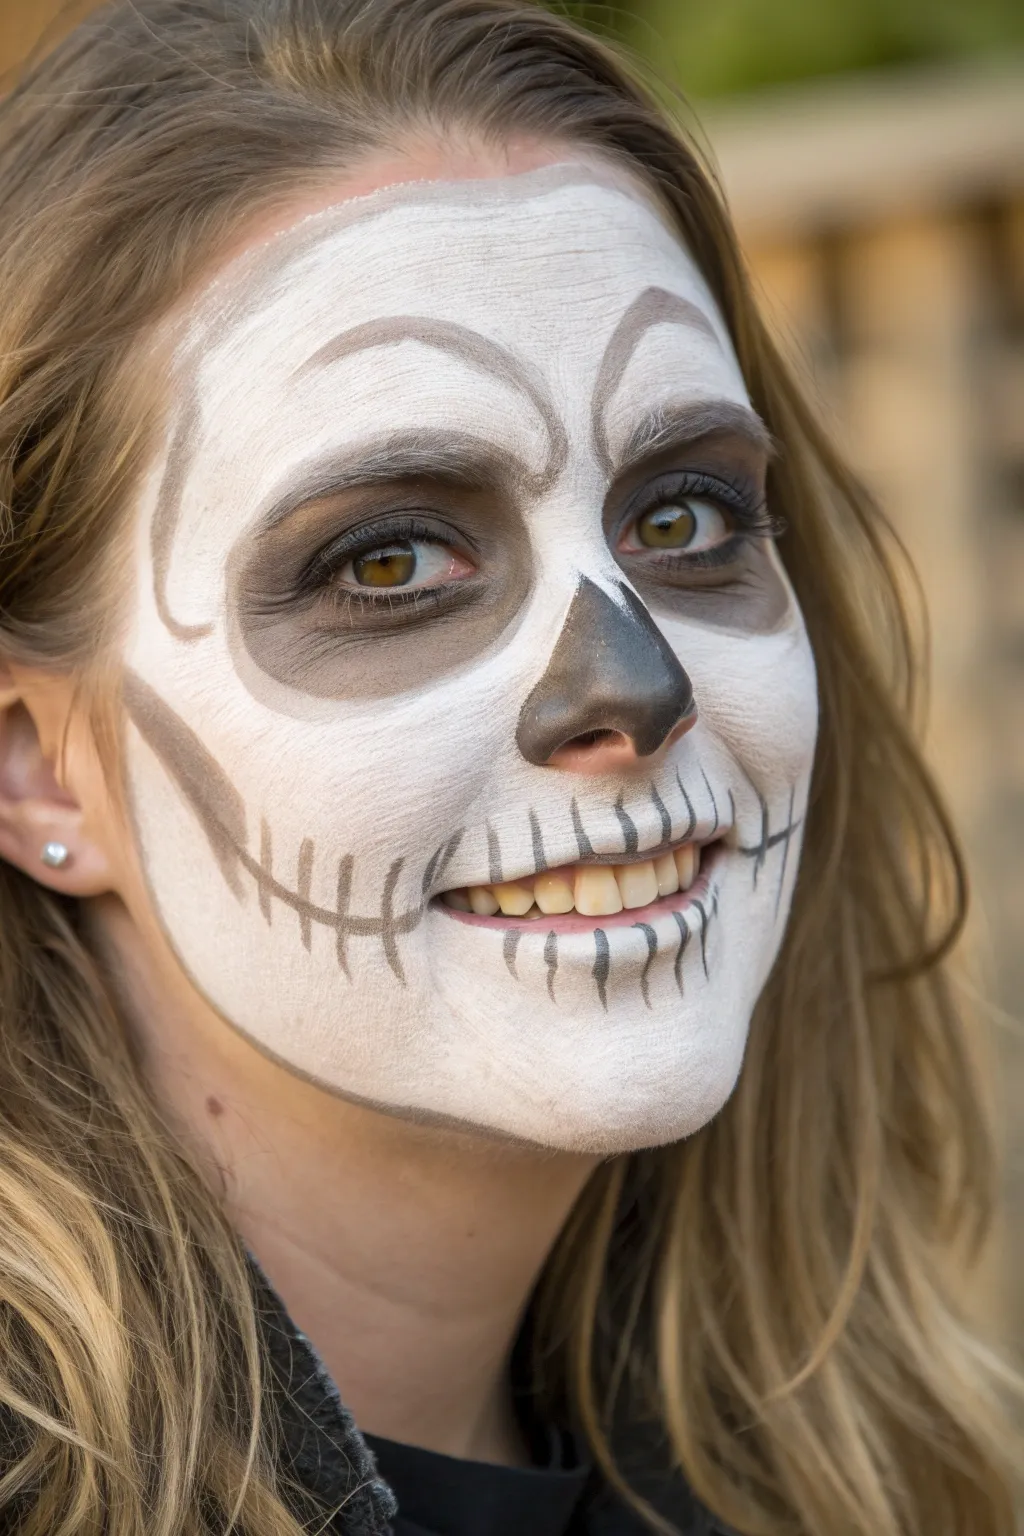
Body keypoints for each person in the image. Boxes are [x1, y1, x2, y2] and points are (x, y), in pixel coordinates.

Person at [0, 1, 1017, 1532]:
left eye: (683, 518)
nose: (636, 688)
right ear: (35, 772)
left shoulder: (838, 1474)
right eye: (390, 557)